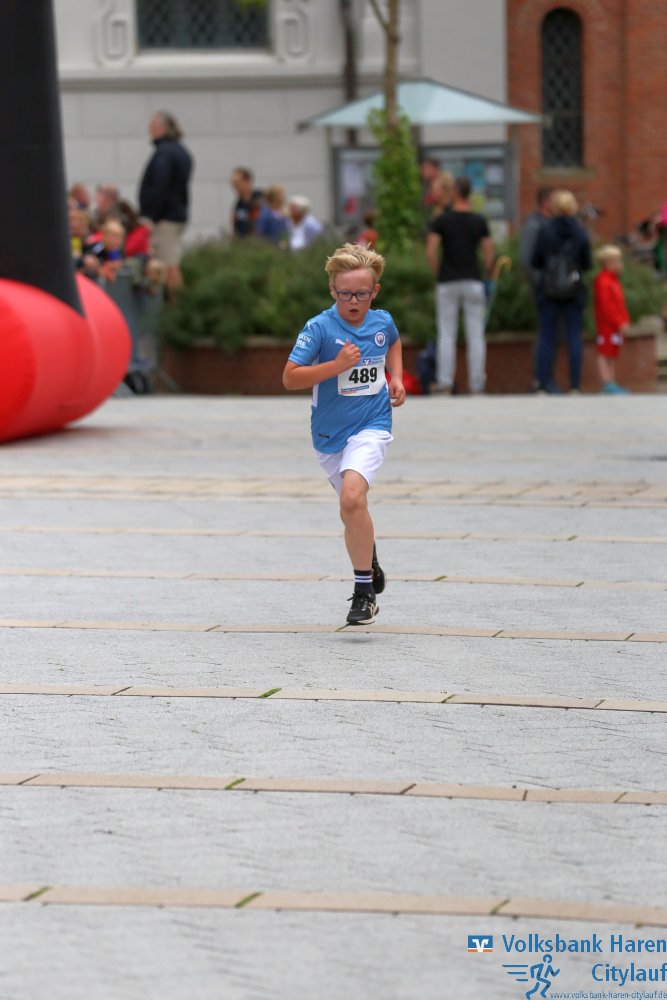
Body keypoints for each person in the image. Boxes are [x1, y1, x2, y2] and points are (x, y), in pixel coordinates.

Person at [282, 243, 406, 626]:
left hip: (372, 424)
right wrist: (336, 365)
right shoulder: (319, 328)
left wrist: (397, 377)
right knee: (352, 509)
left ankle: (364, 593)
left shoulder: (381, 321)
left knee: (352, 498)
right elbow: (290, 378)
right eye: (345, 294)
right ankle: (369, 557)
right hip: (329, 435)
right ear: (332, 290)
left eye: (362, 294)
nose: (353, 302)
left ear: (375, 291)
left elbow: (394, 340)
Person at [426, 176, 494, 394]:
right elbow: (489, 252)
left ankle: (445, 382)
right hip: (473, 279)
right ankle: (477, 385)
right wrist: (489, 274)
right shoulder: (479, 220)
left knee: (446, 334)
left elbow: (431, 251)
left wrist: (438, 272)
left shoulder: (442, 220)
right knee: (476, 335)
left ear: (455, 193)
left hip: (447, 281)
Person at [531, 189, 592, 394]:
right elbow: (587, 263)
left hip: (548, 289)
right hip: (573, 289)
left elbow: (535, 261)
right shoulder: (580, 232)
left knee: (546, 335)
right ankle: (574, 385)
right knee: (574, 334)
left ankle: (543, 382)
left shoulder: (545, 230)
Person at [138, 111, 193, 294]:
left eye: (152, 126)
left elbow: (159, 186)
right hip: (175, 214)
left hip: (166, 218)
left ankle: (177, 304)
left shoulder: (164, 153)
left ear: (162, 128)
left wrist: (150, 215)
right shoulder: (180, 151)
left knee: (168, 265)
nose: (150, 130)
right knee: (169, 262)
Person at [593, 245, 631, 394]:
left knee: (612, 352)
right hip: (606, 325)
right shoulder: (603, 281)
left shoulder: (614, 281)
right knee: (604, 352)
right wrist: (618, 321)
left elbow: (619, 304)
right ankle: (606, 382)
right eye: (617, 261)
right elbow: (607, 305)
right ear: (608, 262)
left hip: (615, 325)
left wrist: (624, 320)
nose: (620, 264)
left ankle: (611, 381)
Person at [520, 187, 554, 295]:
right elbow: (526, 257)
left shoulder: (553, 223)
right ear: (545, 202)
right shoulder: (534, 224)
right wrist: (539, 280)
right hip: (541, 284)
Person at [230, 167, 263, 238]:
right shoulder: (239, 204)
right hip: (243, 242)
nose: (235, 188)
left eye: (237, 185)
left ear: (247, 182)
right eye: (234, 185)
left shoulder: (260, 199)